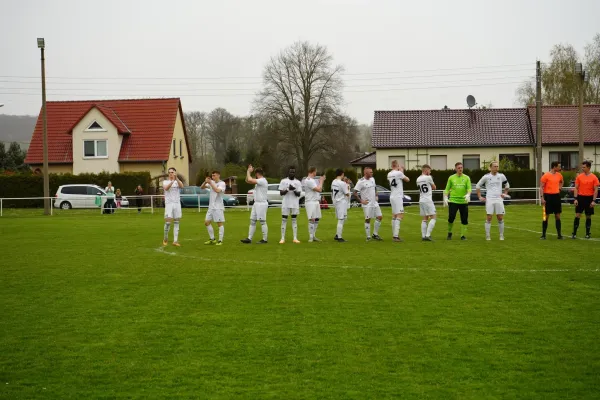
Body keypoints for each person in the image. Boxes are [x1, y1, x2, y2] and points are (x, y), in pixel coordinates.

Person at [476, 161, 510, 241]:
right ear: (490, 168)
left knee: (500, 217)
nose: (496, 168)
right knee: (489, 217)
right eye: (494, 166)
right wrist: (480, 196)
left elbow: (507, 185)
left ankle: (501, 235)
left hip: (499, 199)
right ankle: (488, 236)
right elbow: (478, 186)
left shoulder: (501, 176)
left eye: (497, 166)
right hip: (490, 199)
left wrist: (504, 194)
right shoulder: (486, 177)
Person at [354, 167, 383, 241]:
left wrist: (376, 194)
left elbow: (375, 187)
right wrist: (361, 201)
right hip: (367, 204)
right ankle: (368, 236)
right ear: (365, 173)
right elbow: (355, 193)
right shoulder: (361, 181)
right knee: (368, 219)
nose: (372, 173)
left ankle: (375, 234)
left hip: (374, 202)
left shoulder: (373, 179)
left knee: (379, 217)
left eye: (372, 172)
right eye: (370, 172)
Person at [241, 165, 269, 244]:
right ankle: (249, 238)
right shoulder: (258, 181)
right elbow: (247, 180)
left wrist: (248, 172)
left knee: (262, 221)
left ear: (257, 174)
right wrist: (248, 172)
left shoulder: (262, 180)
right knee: (252, 221)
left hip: (262, 203)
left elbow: (250, 179)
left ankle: (265, 239)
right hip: (256, 203)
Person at [444, 162, 472, 240]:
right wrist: (445, 197)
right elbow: (447, 189)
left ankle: (463, 235)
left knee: (464, 219)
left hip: (463, 201)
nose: (460, 169)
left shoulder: (467, 178)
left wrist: (468, 194)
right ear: (456, 169)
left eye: (461, 168)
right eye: (458, 168)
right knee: (451, 217)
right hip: (453, 201)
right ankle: (449, 233)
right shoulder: (451, 178)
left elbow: (469, 188)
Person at [572, 160, 599, 239]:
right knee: (577, 215)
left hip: (589, 198)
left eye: (584, 167)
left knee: (588, 216)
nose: (582, 168)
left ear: (588, 167)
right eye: (582, 167)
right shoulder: (579, 177)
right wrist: (575, 199)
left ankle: (587, 233)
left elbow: (596, 190)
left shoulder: (594, 177)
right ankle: (574, 233)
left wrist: (593, 201)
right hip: (580, 198)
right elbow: (576, 188)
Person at [201, 170, 227, 245]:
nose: (213, 177)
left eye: (214, 175)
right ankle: (212, 239)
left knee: (219, 223)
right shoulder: (212, 182)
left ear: (218, 175)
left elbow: (217, 190)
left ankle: (220, 240)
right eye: (212, 176)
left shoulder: (222, 183)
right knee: (206, 222)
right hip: (211, 207)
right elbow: (202, 187)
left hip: (218, 207)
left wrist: (210, 183)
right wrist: (205, 181)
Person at [387, 160, 410, 242]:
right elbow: (407, 179)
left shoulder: (389, 174)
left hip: (392, 196)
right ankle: (395, 236)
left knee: (394, 215)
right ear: (397, 165)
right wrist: (402, 171)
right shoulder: (399, 173)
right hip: (398, 196)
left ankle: (394, 234)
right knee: (400, 215)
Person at [540, 161, 564, 239]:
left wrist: (560, 188)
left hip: (556, 196)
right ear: (554, 167)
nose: (560, 168)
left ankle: (559, 235)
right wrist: (542, 198)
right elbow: (541, 187)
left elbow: (561, 182)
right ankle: (543, 235)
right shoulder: (545, 176)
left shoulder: (559, 175)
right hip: (548, 197)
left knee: (557, 216)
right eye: (559, 167)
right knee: (546, 216)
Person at [278, 166, 302, 244]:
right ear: (288, 172)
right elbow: (281, 193)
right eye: (291, 172)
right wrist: (288, 189)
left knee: (294, 220)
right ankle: (282, 238)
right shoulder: (283, 181)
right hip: (286, 203)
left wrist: (294, 189)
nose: (292, 173)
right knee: (284, 220)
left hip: (294, 203)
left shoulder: (298, 182)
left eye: (293, 172)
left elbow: (298, 194)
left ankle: (295, 238)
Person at [302, 167, 326, 242]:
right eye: (316, 171)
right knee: (312, 219)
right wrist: (321, 181)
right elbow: (319, 189)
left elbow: (318, 188)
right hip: (310, 201)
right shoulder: (309, 180)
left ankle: (314, 235)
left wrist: (320, 182)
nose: (316, 173)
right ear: (313, 172)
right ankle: (311, 237)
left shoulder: (312, 180)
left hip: (315, 201)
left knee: (316, 218)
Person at [162, 168, 184, 246]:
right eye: (170, 172)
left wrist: (176, 178)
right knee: (168, 222)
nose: (171, 174)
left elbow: (182, 186)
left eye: (172, 172)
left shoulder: (177, 181)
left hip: (177, 204)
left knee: (177, 221)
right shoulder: (165, 182)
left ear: (175, 173)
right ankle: (165, 238)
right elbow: (166, 188)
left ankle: (175, 241)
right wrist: (172, 181)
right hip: (169, 204)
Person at [416, 164, 437, 241]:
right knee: (434, 217)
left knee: (424, 218)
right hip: (428, 200)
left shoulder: (418, 179)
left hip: (421, 200)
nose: (430, 172)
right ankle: (428, 235)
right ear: (426, 170)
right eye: (429, 170)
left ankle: (423, 236)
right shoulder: (428, 177)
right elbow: (434, 187)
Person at [331, 168, 350, 242]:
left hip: (336, 201)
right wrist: (347, 186)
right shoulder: (342, 183)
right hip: (341, 202)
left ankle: (337, 234)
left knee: (343, 218)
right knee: (341, 219)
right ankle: (339, 237)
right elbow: (347, 193)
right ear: (342, 174)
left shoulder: (333, 181)